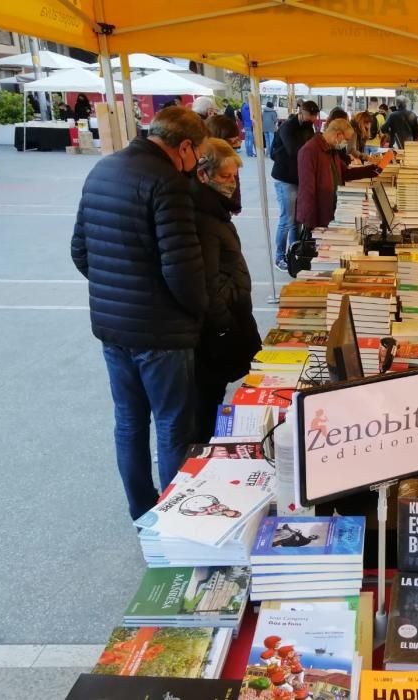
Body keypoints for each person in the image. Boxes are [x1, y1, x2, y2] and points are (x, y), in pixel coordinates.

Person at [71, 106, 209, 520]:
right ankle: (172, 517)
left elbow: (80, 251)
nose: (195, 163)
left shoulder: (103, 170)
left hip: (113, 328)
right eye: (197, 155)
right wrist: (197, 312)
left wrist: (118, 290)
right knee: (172, 427)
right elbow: (182, 270)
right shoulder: (168, 184)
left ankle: (141, 510)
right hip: (161, 332)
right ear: (184, 146)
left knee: (129, 422)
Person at [191, 139, 261, 442]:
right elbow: (205, 281)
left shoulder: (214, 211)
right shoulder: (204, 217)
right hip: (218, 330)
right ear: (203, 175)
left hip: (227, 321)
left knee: (213, 399)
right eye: (225, 177)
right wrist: (224, 322)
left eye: (234, 177)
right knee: (207, 405)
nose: (232, 184)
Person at [296, 118, 379, 230]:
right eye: (346, 139)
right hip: (319, 216)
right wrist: (311, 225)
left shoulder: (331, 150)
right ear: (337, 135)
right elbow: (307, 191)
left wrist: (373, 170)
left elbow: (345, 173)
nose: (346, 143)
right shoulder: (309, 151)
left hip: (333, 209)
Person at [271, 100, 319, 271]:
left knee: (296, 220)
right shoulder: (287, 127)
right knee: (287, 220)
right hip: (285, 178)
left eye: (314, 117)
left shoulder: (308, 127)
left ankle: (294, 251)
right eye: (310, 116)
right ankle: (279, 257)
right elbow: (295, 150)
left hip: (298, 177)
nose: (312, 120)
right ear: (302, 112)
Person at [206, 115, 244, 214]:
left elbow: (235, 181)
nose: (236, 146)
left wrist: (235, 206)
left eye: (236, 141)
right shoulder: (208, 161)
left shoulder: (228, 156)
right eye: (232, 142)